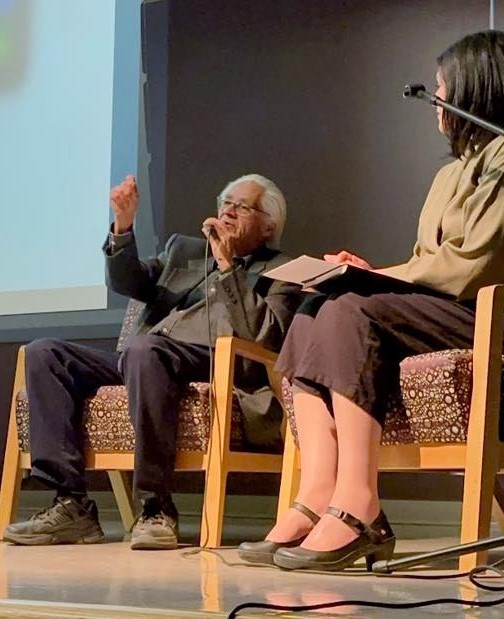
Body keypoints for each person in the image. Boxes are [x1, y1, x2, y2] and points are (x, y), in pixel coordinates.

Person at [238, 31, 504, 571]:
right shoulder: (450, 173)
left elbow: (474, 267)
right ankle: (315, 497)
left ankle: (359, 502)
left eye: (445, 88)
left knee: (350, 309)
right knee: (311, 315)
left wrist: (372, 277)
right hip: (470, 310)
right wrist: (357, 275)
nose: (437, 102)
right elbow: (430, 263)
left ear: (478, 89)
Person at [4, 173, 303, 550]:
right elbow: (130, 281)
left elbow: (264, 332)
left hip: (214, 364)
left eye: (242, 206)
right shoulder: (184, 251)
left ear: (268, 225)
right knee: (44, 353)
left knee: (145, 350)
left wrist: (228, 267)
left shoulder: (281, 271)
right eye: (225, 202)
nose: (228, 211)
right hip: (142, 359)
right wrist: (123, 226)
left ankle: (155, 506)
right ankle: (71, 504)